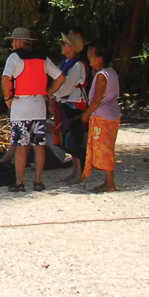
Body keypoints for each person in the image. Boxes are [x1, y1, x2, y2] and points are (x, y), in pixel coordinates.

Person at [1, 27, 61, 192]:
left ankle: (20, 182)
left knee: (21, 145)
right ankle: (38, 181)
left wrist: (7, 98)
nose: (13, 44)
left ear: (18, 41)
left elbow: (6, 79)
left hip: (21, 106)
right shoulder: (43, 58)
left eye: (13, 41)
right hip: (38, 105)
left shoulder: (15, 57)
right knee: (38, 145)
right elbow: (60, 77)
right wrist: (48, 93)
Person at [48, 31, 93, 183]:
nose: (62, 46)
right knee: (69, 138)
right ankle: (75, 171)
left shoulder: (78, 65)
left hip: (75, 105)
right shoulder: (66, 63)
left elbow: (67, 87)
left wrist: (51, 94)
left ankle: (81, 173)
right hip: (66, 104)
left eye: (65, 44)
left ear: (72, 48)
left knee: (76, 137)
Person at [80, 43, 123, 192]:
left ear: (99, 59)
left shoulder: (101, 77)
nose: (89, 58)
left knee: (104, 149)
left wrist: (86, 114)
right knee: (108, 148)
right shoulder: (110, 72)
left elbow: (97, 101)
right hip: (113, 115)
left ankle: (110, 183)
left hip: (102, 117)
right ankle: (108, 181)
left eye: (91, 55)